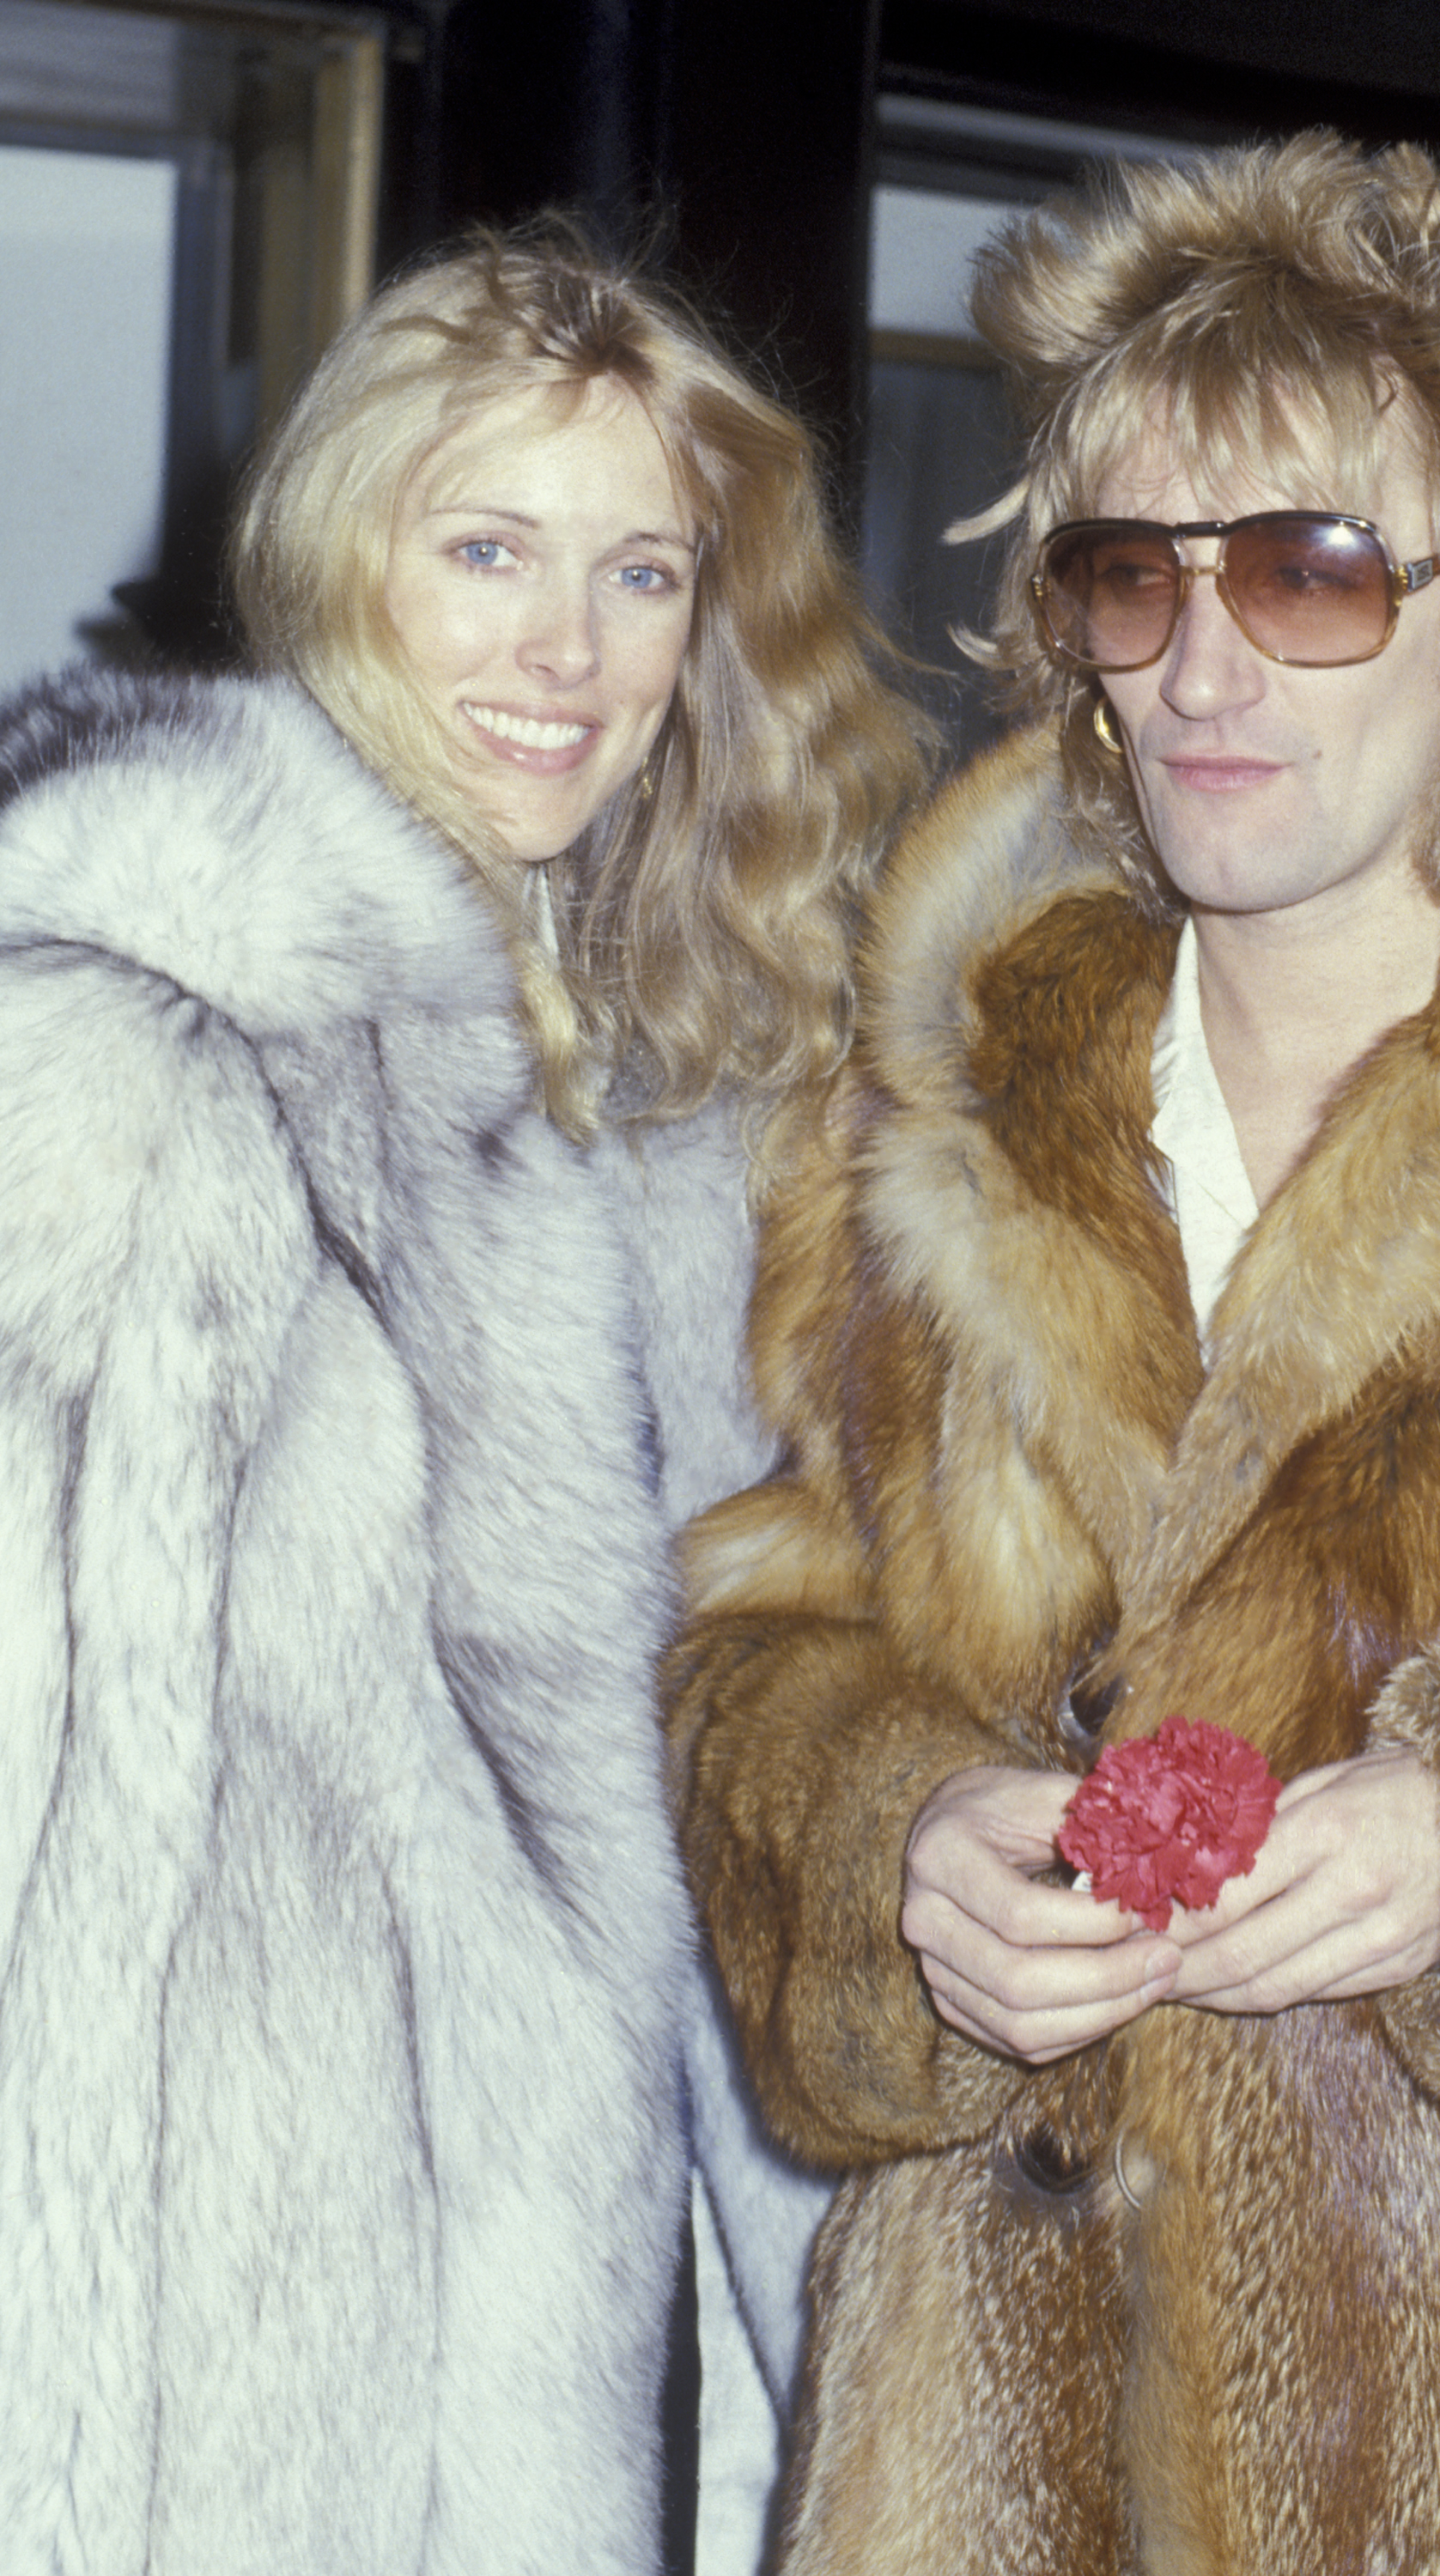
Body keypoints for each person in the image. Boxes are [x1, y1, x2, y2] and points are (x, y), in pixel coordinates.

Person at [668, 131, 1440, 2573]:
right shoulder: (924, 1112)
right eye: (1134, 573)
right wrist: (904, 1851)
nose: (1206, 667)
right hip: (996, 2472)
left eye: (1312, 571)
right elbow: (763, 1644)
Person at [0, 223, 917, 2575]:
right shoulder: (127, 1044)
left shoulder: (666, 1110)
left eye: (638, 571)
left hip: (597, 2382)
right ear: (340, 556)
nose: (564, 653)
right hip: (247, 2419)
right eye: (486, 548)